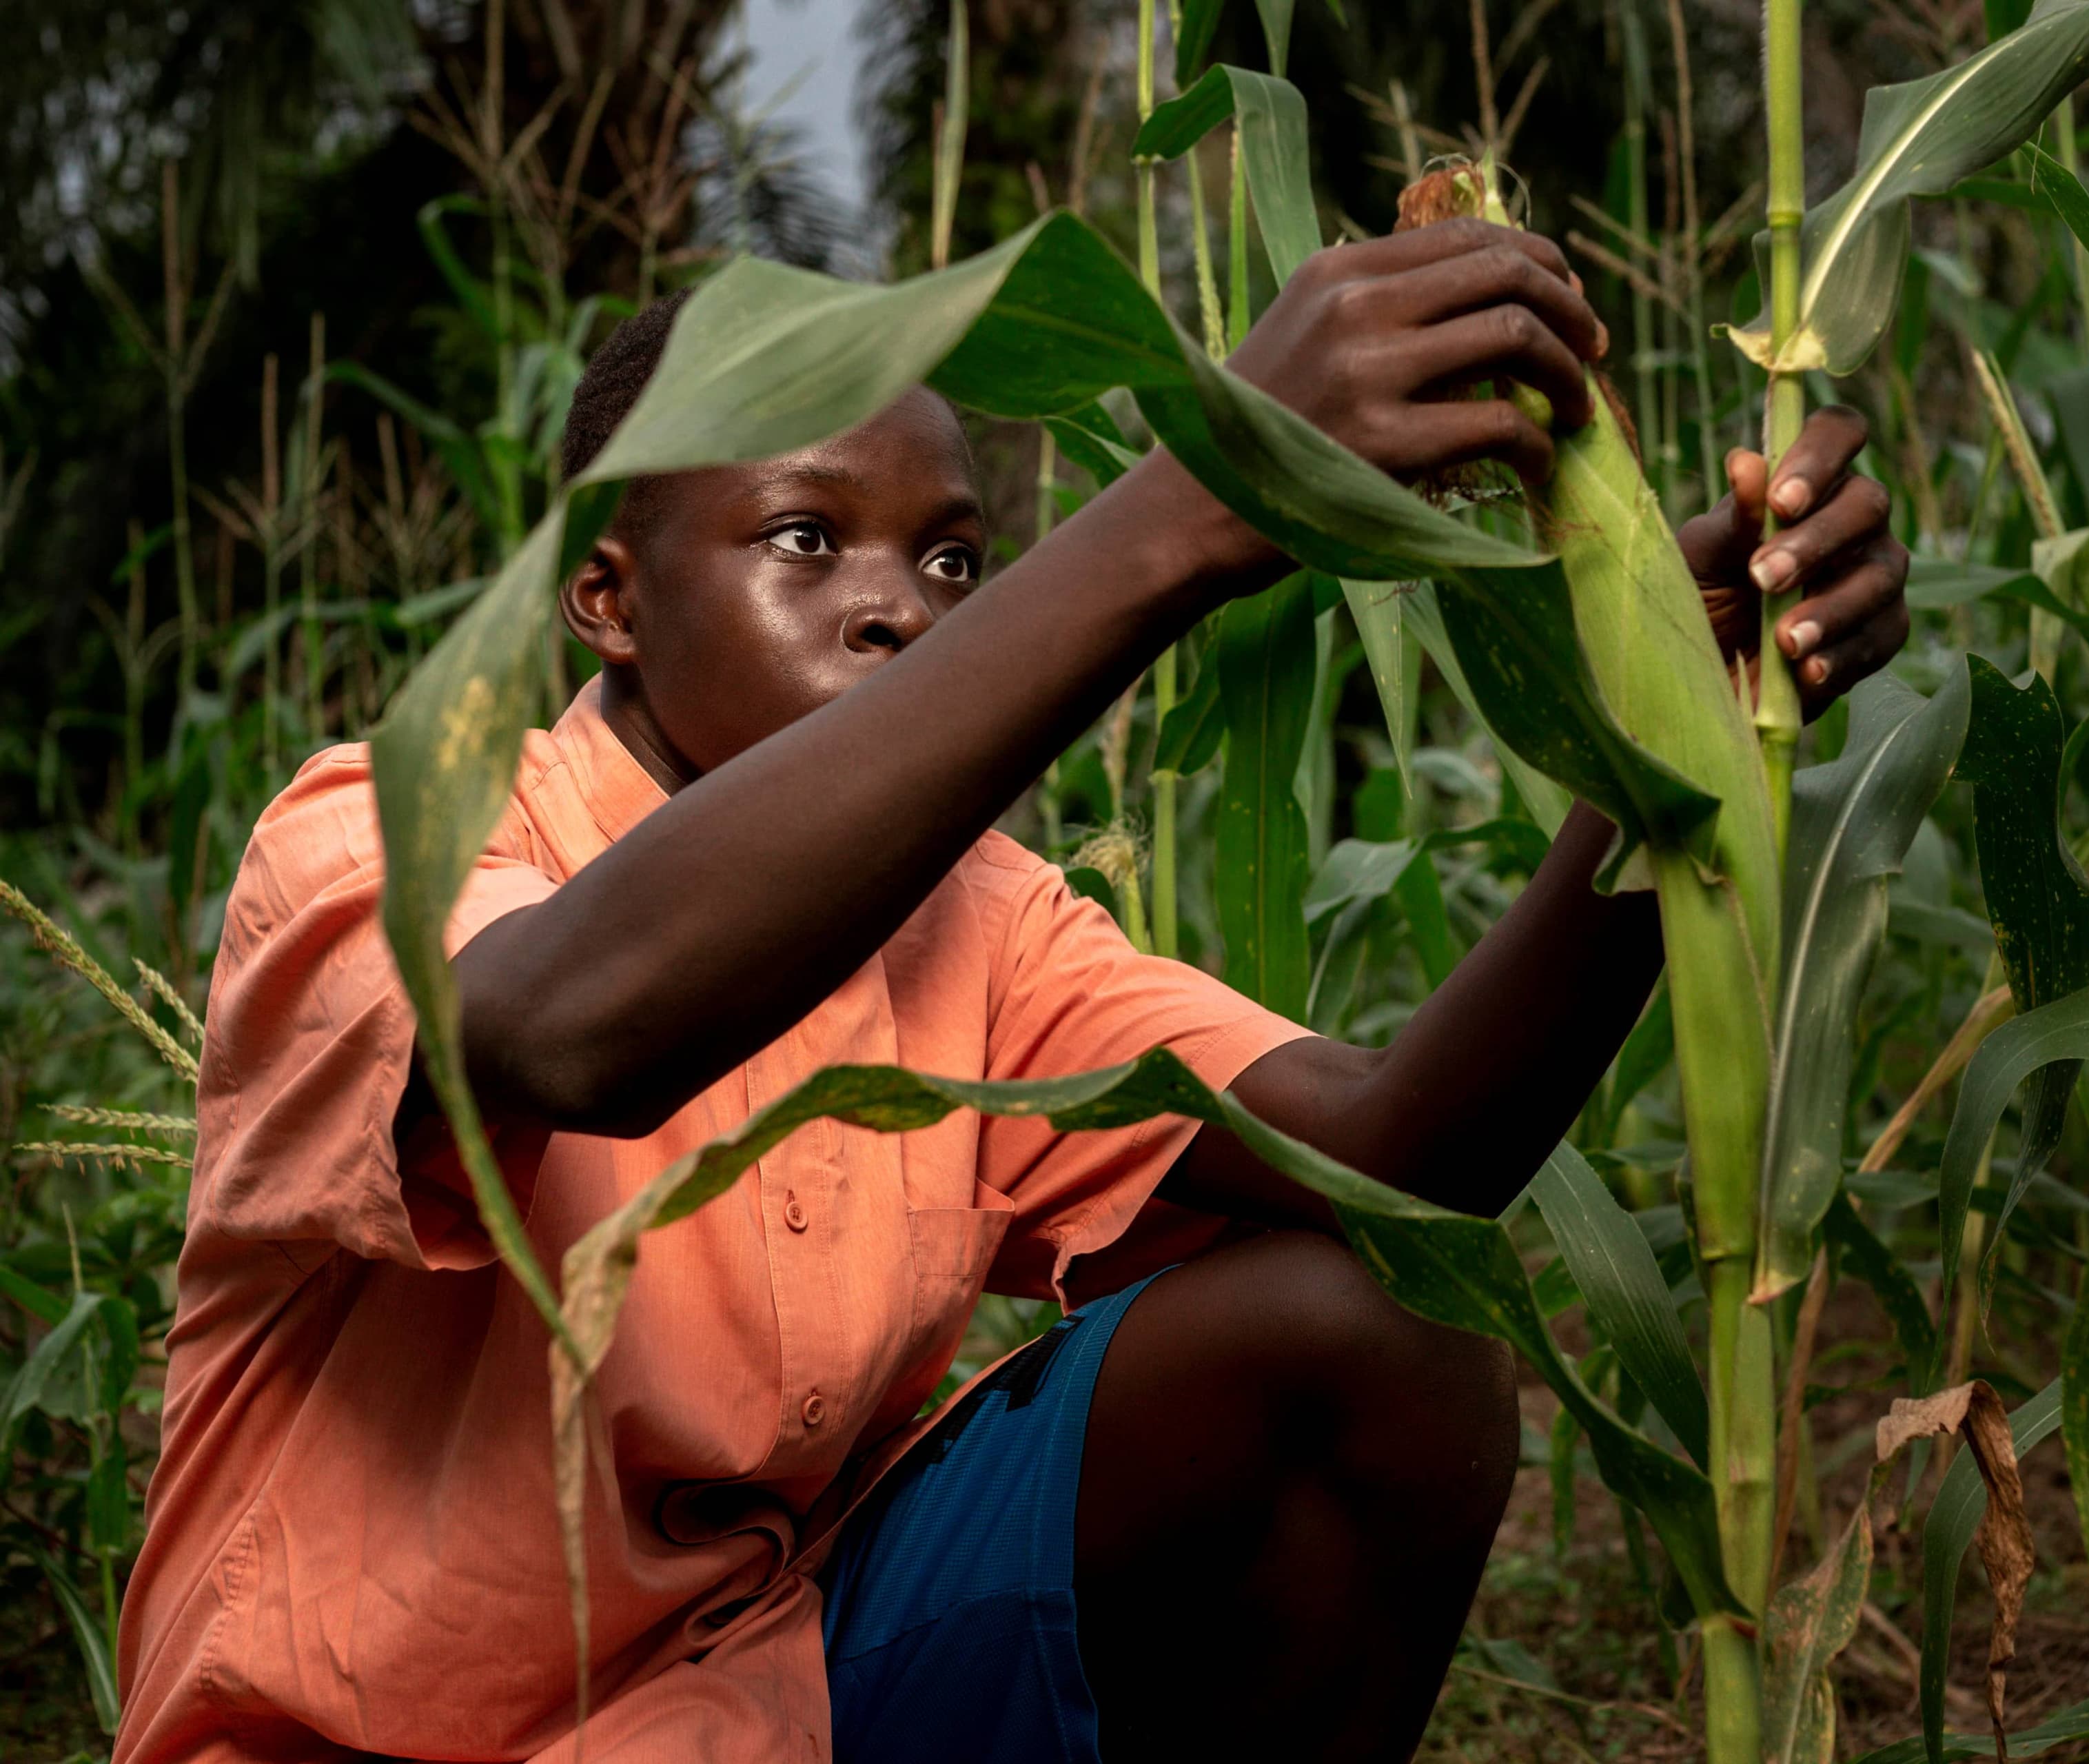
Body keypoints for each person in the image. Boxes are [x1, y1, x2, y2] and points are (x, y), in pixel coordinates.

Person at [116, 217, 1908, 1764]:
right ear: (607, 598)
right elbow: (576, 1025)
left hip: (756, 1712)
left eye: (955, 561)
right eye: (805, 538)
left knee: (1375, 1325)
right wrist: (1194, 511)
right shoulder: (384, 837)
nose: (905, 606)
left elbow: (1407, 1158)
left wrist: (1668, 725)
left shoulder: (976, 929)